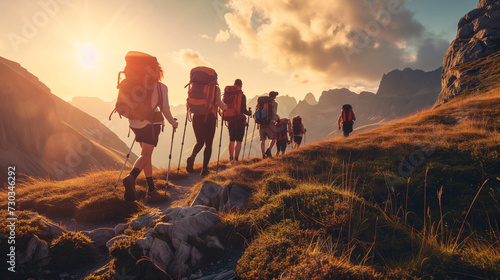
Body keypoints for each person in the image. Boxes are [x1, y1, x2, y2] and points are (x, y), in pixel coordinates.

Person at [122, 58, 179, 202]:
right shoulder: (161, 87)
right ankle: (131, 177)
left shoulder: (131, 83)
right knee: (146, 154)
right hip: (151, 124)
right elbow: (165, 109)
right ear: (156, 71)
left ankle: (151, 188)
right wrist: (173, 123)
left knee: (145, 155)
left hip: (134, 123)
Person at [186, 74, 227, 177]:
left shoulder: (194, 86)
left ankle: (192, 156)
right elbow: (219, 103)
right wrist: (225, 107)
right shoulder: (215, 88)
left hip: (196, 117)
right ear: (214, 78)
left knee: (199, 141)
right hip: (210, 117)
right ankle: (204, 170)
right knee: (208, 144)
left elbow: (188, 104)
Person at [227, 79, 252, 163]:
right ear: (241, 85)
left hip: (230, 119)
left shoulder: (229, 94)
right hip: (239, 120)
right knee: (238, 141)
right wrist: (249, 113)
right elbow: (243, 110)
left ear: (234, 84)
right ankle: (236, 159)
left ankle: (230, 158)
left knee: (231, 140)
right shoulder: (242, 95)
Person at [259, 91, 279, 159]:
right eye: (275, 96)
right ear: (274, 97)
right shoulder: (274, 103)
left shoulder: (262, 102)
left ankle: (263, 155)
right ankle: (269, 150)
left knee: (263, 140)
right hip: (270, 123)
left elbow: (257, 110)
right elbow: (274, 113)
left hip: (262, 123)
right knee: (274, 138)